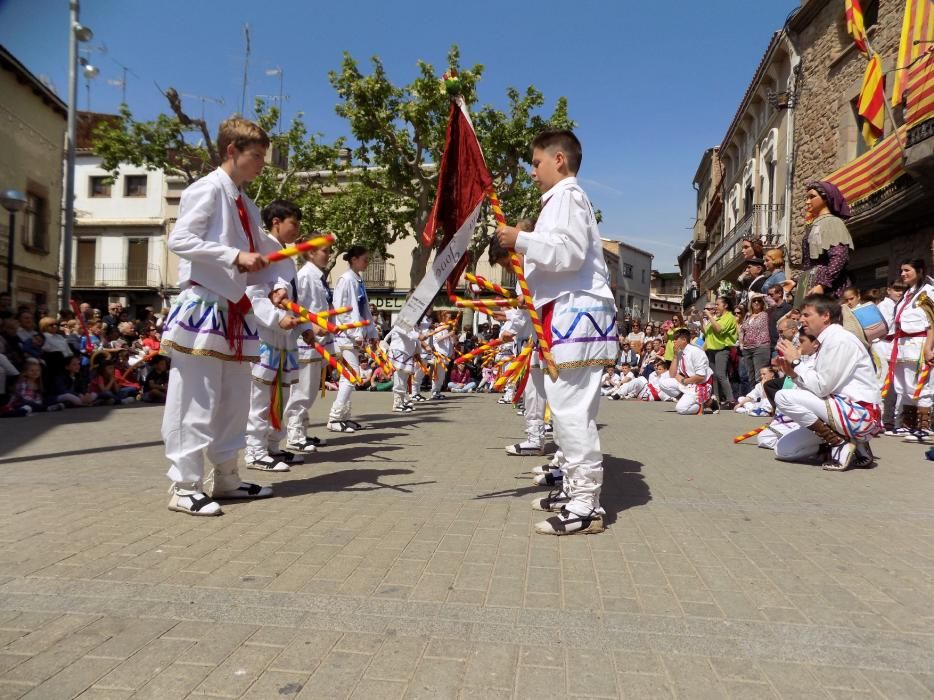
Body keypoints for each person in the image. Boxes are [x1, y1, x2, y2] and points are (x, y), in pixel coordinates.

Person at [496, 129, 618, 535]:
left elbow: (568, 253)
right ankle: (573, 489)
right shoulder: (560, 200)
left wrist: (521, 239)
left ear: (559, 159)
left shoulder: (566, 196)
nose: (533, 172)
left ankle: (586, 505)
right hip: (567, 313)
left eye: (536, 163)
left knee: (570, 412)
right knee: (567, 410)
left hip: (575, 313)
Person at [160, 116, 278, 516]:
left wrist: (274, 283)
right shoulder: (207, 189)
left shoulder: (247, 204)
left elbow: (261, 256)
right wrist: (233, 256)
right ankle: (183, 485)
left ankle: (226, 476)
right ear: (232, 151)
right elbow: (180, 239)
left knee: (233, 400)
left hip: (236, 309)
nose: (262, 164)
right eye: (257, 156)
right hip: (205, 306)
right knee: (195, 398)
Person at [774, 294, 881, 470]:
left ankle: (838, 443)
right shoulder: (827, 340)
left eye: (807, 315)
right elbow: (816, 386)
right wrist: (793, 374)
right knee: (783, 450)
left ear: (826, 316)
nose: (801, 320)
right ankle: (852, 444)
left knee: (782, 396)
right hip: (839, 409)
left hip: (859, 413)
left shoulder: (839, 339)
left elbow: (821, 388)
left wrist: (796, 362)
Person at [244, 200, 306, 472]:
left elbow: (291, 297)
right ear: (276, 221)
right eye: (293, 223)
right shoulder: (260, 247)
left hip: (283, 336)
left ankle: (271, 445)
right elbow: (254, 293)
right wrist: (276, 317)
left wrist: (303, 328)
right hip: (264, 334)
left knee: (279, 395)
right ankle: (254, 451)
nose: (297, 229)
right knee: (260, 396)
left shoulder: (286, 256)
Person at [285, 239, 332, 453]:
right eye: (325, 251)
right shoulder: (304, 276)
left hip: (316, 341)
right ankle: (294, 435)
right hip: (304, 341)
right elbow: (297, 308)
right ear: (311, 253)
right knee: (302, 391)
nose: (329, 255)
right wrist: (312, 326)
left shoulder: (318, 277)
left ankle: (302, 430)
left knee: (310, 390)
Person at [328, 245, 379, 432]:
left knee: (347, 377)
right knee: (351, 375)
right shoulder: (346, 279)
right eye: (365, 259)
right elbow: (340, 309)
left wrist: (372, 333)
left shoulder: (357, 280)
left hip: (354, 336)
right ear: (354, 259)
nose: (367, 263)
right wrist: (356, 333)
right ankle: (334, 418)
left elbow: (363, 310)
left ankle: (343, 416)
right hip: (346, 336)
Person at [884, 260, 934, 442]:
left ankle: (924, 427)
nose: (903, 274)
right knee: (903, 385)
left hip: (919, 344)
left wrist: (929, 348)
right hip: (902, 344)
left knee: (921, 385)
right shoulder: (908, 294)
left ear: (919, 271)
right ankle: (908, 425)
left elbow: (932, 323)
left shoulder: (927, 292)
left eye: (907, 270)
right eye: (901, 270)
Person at [798, 181, 854, 298]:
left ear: (825, 198)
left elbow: (839, 256)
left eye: (812, 197)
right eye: (807, 198)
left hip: (830, 290)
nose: (807, 202)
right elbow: (810, 263)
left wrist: (822, 285)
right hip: (813, 283)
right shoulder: (814, 225)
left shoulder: (833, 222)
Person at [658, 328, 716, 415]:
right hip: (688, 382)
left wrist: (684, 380)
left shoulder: (696, 352)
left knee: (681, 409)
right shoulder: (680, 352)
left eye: (676, 339)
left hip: (701, 384)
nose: (674, 342)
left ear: (684, 340)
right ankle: (693, 399)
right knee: (663, 383)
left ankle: (703, 403)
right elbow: (672, 374)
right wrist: (675, 355)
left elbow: (700, 377)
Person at [703, 297, 737, 409]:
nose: (715, 307)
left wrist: (709, 316)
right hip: (711, 349)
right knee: (714, 375)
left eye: (717, 305)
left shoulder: (729, 317)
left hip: (722, 349)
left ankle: (730, 400)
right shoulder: (717, 317)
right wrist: (700, 318)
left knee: (721, 374)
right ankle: (716, 399)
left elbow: (719, 329)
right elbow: (706, 331)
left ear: (725, 305)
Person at [383, 321, 419, 413]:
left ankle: (402, 402)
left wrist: (418, 351)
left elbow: (416, 340)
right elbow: (412, 335)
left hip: (408, 354)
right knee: (399, 378)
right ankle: (397, 403)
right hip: (399, 353)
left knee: (404, 379)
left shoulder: (413, 325)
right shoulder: (400, 324)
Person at [741, 296, 772, 385]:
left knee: (760, 376)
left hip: (760, 348)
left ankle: (762, 397)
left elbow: (773, 303)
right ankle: (753, 397)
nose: (756, 302)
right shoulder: (747, 316)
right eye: (754, 301)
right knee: (750, 377)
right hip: (747, 349)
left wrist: (762, 296)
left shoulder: (765, 314)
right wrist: (741, 344)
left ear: (762, 303)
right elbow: (742, 330)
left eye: (759, 301)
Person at [429, 312, 457, 400]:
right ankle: (434, 392)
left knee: (442, 376)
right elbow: (437, 339)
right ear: (443, 318)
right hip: (439, 355)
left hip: (446, 355)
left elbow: (452, 343)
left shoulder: (447, 329)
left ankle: (438, 392)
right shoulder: (439, 328)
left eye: (450, 317)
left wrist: (452, 351)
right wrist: (449, 334)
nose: (449, 319)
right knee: (437, 375)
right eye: (448, 317)